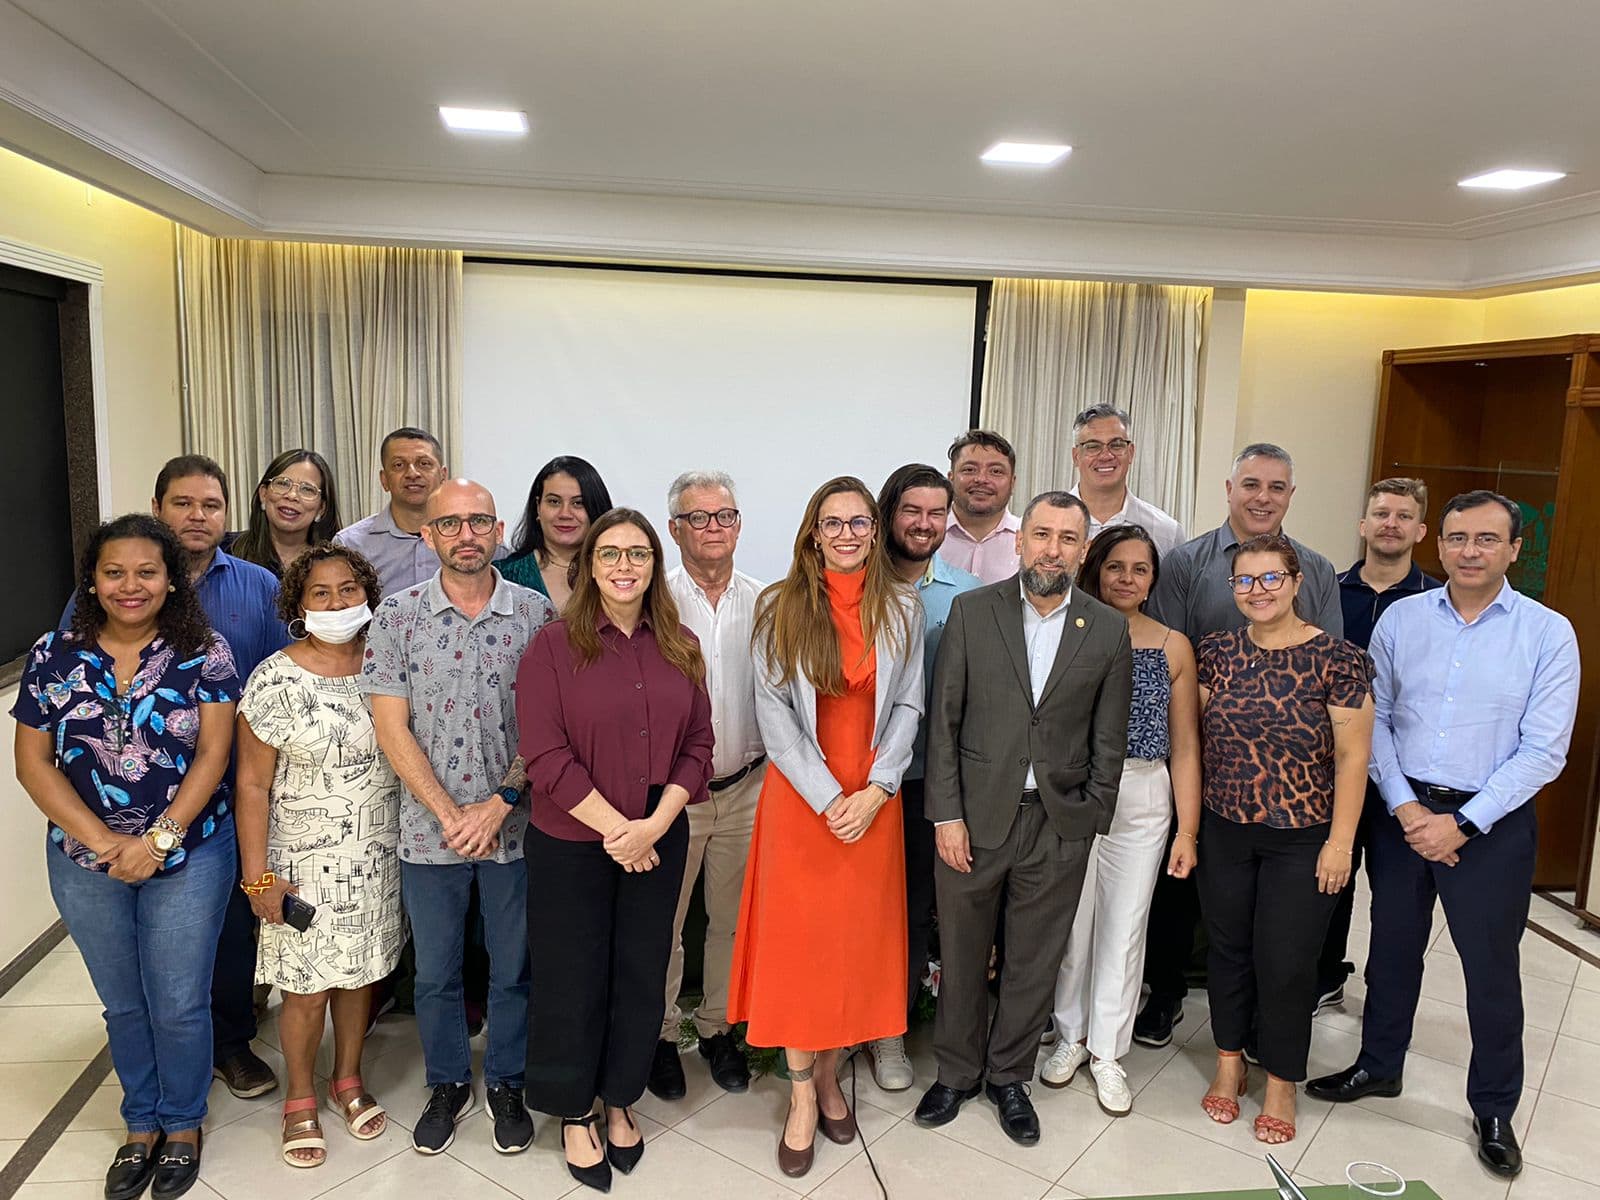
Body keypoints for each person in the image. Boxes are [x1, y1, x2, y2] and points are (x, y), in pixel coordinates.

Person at [1307, 491, 1580, 1180]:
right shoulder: (1404, 619)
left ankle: (1493, 1107)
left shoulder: (1548, 634)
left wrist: (1461, 822)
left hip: (1490, 826)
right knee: (1392, 951)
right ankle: (1379, 1065)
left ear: (1514, 548)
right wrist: (1404, 809)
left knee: (1490, 971)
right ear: (1441, 544)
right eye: (1458, 538)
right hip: (1403, 813)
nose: (1469, 551)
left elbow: (1544, 751)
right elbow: (1381, 718)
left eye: (1487, 539)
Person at [16, 514, 240, 1200]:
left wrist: (159, 840)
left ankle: (181, 1124)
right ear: (93, 579)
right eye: (115, 572)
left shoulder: (204, 651)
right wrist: (105, 841)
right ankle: (138, 1122)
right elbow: (33, 763)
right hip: (86, 861)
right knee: (123, 1003)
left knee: (176, 1001)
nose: (131, 585)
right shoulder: (54, 654)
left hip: (191, 852)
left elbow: (213, 754)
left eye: (147, 571)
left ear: (171, 580)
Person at [64, 454, 288, 1101]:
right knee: (146, 957)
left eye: (211, 505)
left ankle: (231, 1043)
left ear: (228, 513)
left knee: (230, 931)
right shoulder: (98, 598)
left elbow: (285, 676)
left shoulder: (256, 586)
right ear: (159, 509)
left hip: (231, 789)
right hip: (127, 801)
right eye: (184, 503)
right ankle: (163, 1061)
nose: (198, 516)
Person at [914, 492, 1132, 1147]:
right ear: (1020, 540)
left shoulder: (1107, 629)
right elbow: (944, 722)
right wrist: (945, 815)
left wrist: (1089, 819)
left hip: (1057, 826)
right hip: (973, 822)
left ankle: (1010, 1076)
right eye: (1042, 534)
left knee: (1034, 962)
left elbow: (1109, 739)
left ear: (1083, 550)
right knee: (961, 950)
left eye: (1069, 538)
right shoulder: (972, 612)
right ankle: (956, 1073)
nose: (1053, 549)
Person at [727, 476, 923, 1179]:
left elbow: (908, 708)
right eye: (832, 522)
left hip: (873, 804)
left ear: (875, 531)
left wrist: (873, 790)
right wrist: (828, 798)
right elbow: (774, 716)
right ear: (813, 531)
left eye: (859, 522)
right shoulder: (780, 607)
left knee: (850, 953)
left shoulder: (901, 607)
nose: (846, 533)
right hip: (804, 807)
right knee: (802, 954)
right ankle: (804, 1095)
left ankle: (834, 1074)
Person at [518, 508, 715, 1192]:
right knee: (573, 978)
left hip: (658, 837)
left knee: (640, 973)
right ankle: (576, 1111)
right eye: (610, 555)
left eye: (638, 553)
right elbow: (545, 756)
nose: (625, 566)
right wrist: (617, 829)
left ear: (655, 565)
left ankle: (621, 1097)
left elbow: (699, 747)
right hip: (573, 842)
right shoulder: (550, 647)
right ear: (589, 566)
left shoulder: (681, 644)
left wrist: (653, 825)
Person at [364, 479, 553, 1156]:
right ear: (427, 535)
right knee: (437, 972)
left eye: (478, 522)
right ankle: (447, 1082)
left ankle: (504, 1079)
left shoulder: (536, 614)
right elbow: (391, 727)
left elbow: (550, 724)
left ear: (498, 530)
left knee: (513, 969)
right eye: (450, 524)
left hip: (517, 827)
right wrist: (450, 813)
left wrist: (499, 801)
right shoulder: (397, 616)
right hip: (427, 832)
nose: (466, 535)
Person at [1134, 441, 1343, 1049]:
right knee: (1181, 882)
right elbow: (1164, 652)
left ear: (1290, 496)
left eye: (1276, 487)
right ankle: (1166, 992)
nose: (1263, 497)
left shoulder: (1317, 570)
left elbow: (1325, 666)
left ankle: (1258, 1018)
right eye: (1251, 484)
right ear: (1229, 489)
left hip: (1284, 769)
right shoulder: (1187, 563)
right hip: (1196, 751)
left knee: (1273, 912)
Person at [1193, 533, 1372, 1146]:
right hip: (1226, 829)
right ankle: (1228, 1061)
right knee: (1228, 950)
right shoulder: (1215, 652)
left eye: (1271, 579)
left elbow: (1353, 759)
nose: (1257, 591)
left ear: (1297, 583)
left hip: (1304, 837)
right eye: (1245, 580)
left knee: (1287, 961)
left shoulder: (1338, 659)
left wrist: (1341, 843)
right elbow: (1195, 742)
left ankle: (1282, 1082)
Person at [235, 544, 402, 1168]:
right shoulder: (274, 679)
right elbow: (251, 784)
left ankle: (349, 1078)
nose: (337, 603)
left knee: (359, 976)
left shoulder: (387, 663)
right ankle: (301, 1095)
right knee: (304, 988)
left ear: (368, 597)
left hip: (376, 854)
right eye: (321, 594)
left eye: (349, 591)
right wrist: (259, 879)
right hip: (300, 862)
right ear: (298, 605)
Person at [1043, 524, 1201, 1115]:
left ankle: (1108, 1051)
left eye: (1140, 569)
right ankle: (1069, 1036)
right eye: (1115, 567)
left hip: (1142, 794)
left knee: (1125, 924)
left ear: (1153, 578)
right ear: (1094, 568)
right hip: (1076, 792)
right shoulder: (1069, 627)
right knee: (1073, 922)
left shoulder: (1171, 644)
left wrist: (1187, 831)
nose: (1127, 579)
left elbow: (1186, 745)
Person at [647, 472, 764, 1101]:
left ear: (739, 525)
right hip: (674, 797)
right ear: (674, 530)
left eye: (724, 516)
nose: (713, 528)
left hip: (748, 787)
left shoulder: (766, 602)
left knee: (729, 920)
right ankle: (663, 1036)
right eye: (699, 518)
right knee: (664, 923)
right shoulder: (654, 603)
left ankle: (718, 1026)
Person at [1314, 478, 1441, 1010]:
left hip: (1399, 773)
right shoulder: (1327, 592)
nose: (1391, 523)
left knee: (1394, 899)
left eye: (1403, 515)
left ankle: (1387, 1008)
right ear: (1362, 525)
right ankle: (1325, 974)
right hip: (1328, 765)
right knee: (1327, 880)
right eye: (1381, 513)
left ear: (1420, 529)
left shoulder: (1437, 602)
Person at [873, 463, 980, 1091]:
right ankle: (843, 1025)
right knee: (859, 910)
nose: (924, 523)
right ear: (889, 515)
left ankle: (892, 1030)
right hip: (855, 782)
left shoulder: (966, 593)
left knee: (910, 912)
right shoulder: (857, 582)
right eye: (911, 510)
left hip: (923, 784)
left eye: (936, 513)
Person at [334, 427, 450, 596]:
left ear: (443, 475)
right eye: (399, 465)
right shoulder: (350, 544)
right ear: (384, 480)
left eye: (424, 464)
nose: (412, 473)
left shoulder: (469, 537)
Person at [1066, 404, 1185, 558]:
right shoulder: (1038, 526)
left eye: (1116, 445)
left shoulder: (1167, 533)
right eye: (1093, 446)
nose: (1106, 456)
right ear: (1076, 456)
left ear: (1131, 453)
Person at [501, 455, 614, 610]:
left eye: (578, 503)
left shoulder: (619, 575)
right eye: (554, 502)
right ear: (538, 507)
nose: (565, 514)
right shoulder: (504, 575)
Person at [228, 449, 343, 576]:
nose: (292, 495)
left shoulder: (336, 564)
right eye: (282, 483)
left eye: (307, 489)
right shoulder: (226, 551)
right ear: (263, 494)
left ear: (322, 508)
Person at [938, 430, 1022, 584]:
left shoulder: (1029, 541)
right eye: (969, 469)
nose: (981, 479)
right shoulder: (929, 534)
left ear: (1012, 483)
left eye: (996, 471)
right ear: (951, 478)